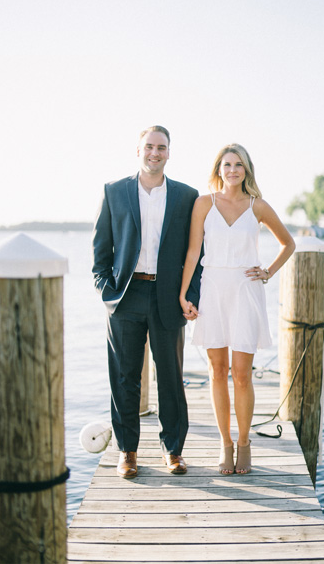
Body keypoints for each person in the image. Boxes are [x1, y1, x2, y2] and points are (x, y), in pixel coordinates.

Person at [179, 143, 294, 475]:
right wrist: (184, 293)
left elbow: (289, 243)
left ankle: (244, 442)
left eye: (239, 165)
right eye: (227, 165)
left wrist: (267, 271)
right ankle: (225, 443)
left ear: (247, 170)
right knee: (217, 371)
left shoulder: (258, 206)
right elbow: (191, 253)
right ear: (218, 169)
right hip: (213, 288)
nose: (232, 170)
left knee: (241, 374)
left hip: (246, 290)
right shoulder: (204, 203)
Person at [92, 125, 200, 478]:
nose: (155, 152)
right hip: (126, 297)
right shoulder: (114, 192)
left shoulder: (187, 196)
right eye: (149, 146)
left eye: (162, 147)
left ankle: (174, 451)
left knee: (171, 377)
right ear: (137, 150)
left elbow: (195, 253)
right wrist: (107, 292)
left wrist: (191, 295)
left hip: (168, 297)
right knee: (124, 379)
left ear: (169, 152)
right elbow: (100, 252)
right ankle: (128, 452)